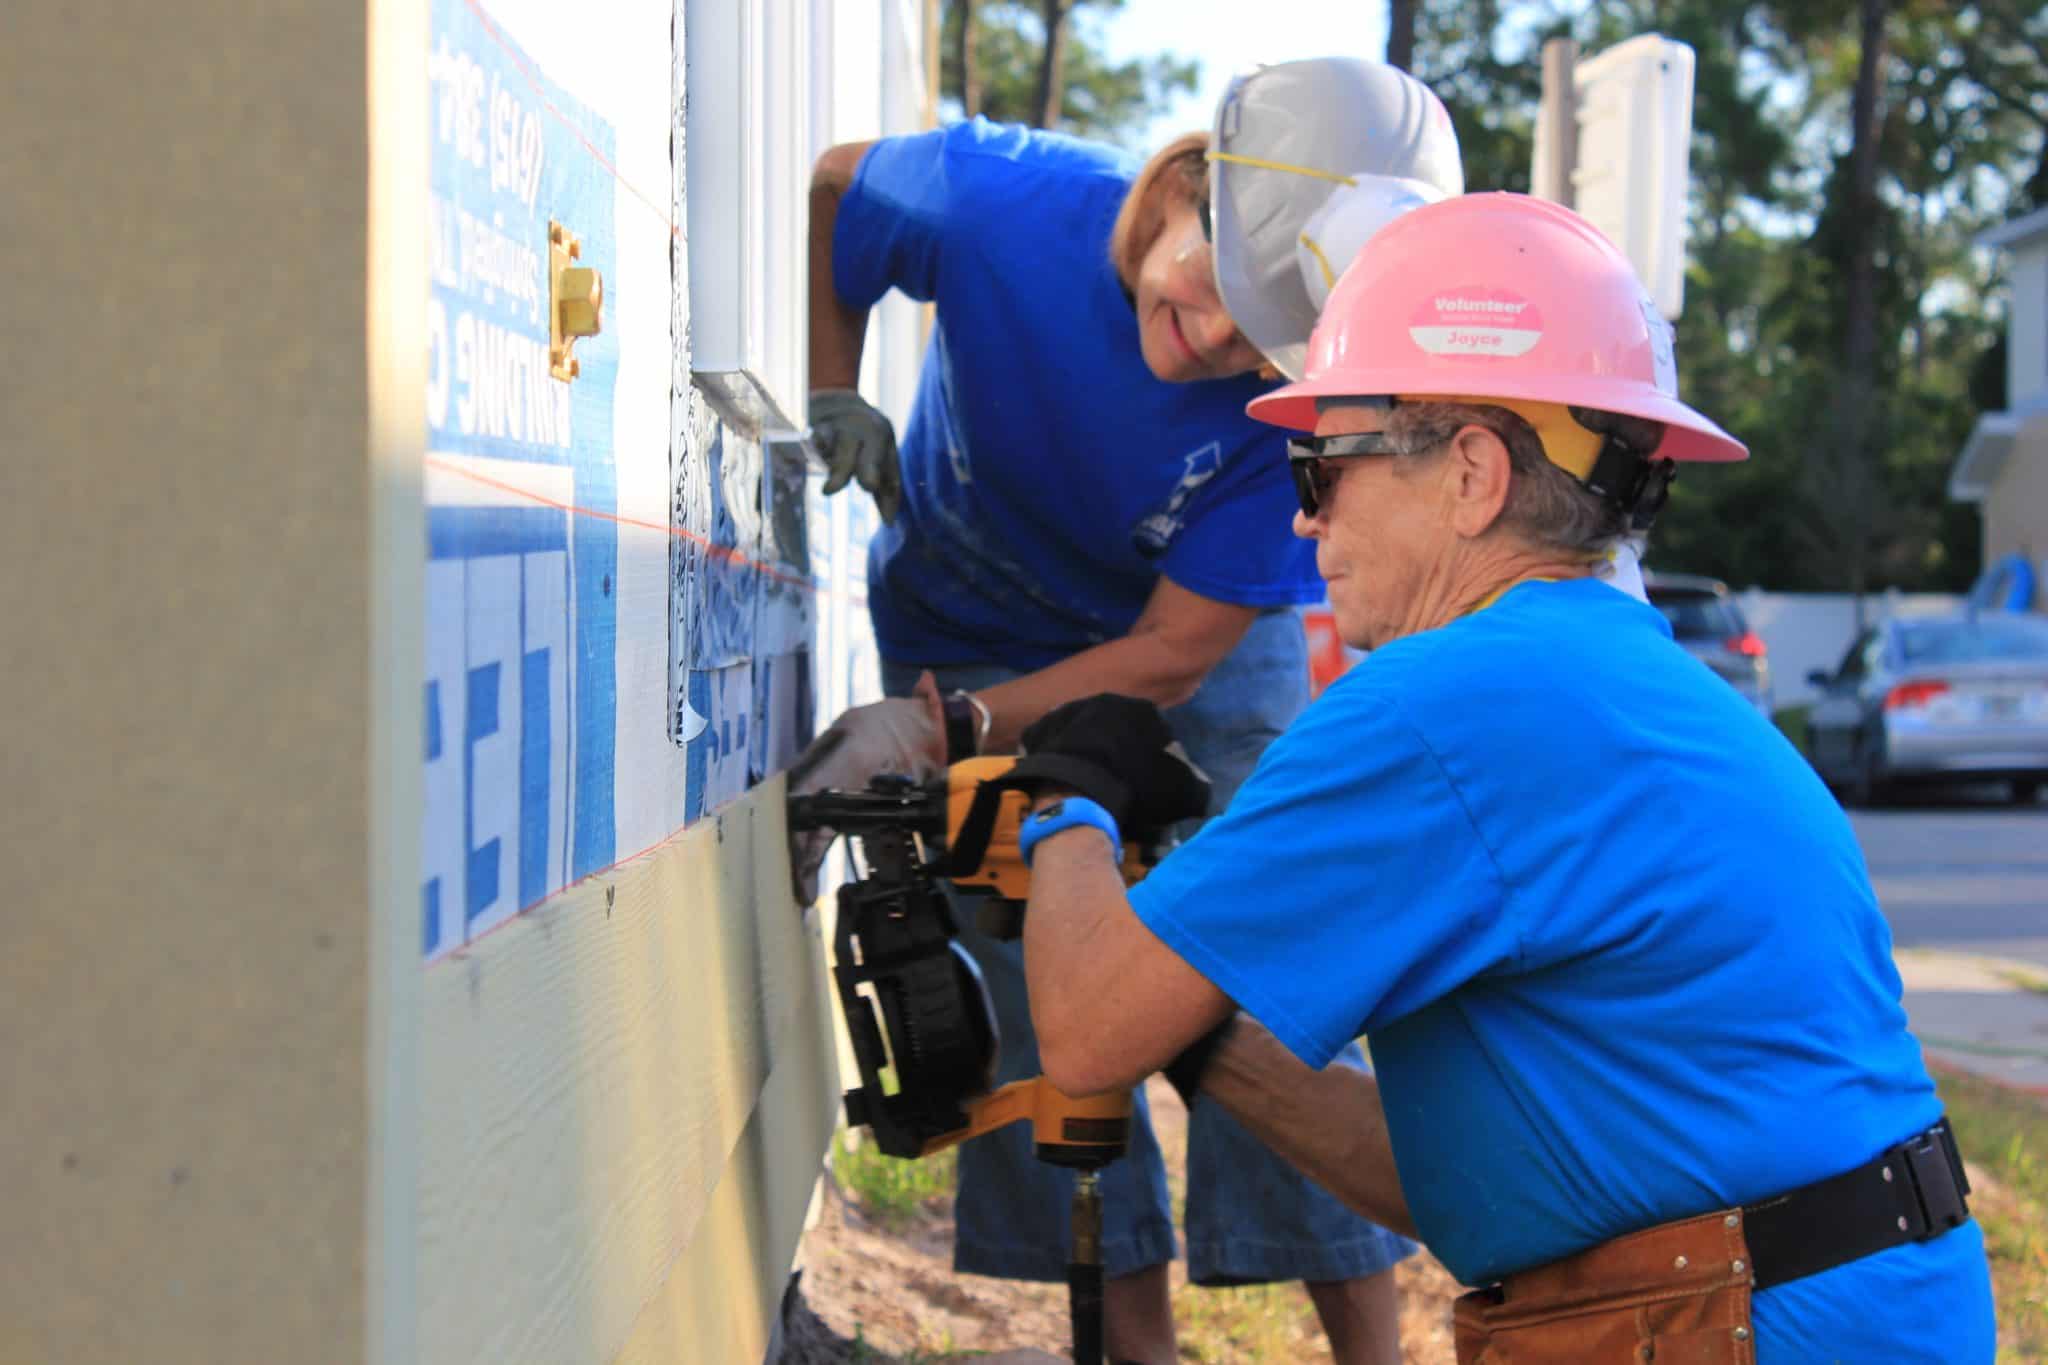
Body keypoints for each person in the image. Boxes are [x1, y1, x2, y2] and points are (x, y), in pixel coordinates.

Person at [1007, 192, 1998, 1362]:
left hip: (1748, 1323)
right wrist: (1197, 1016)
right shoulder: (1636, 686)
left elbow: (1084, 1034)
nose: (1303, 525)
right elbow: (1459, 1188)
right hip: (1848, 1303)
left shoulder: (1445, 704)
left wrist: (1068, 797)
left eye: (1318, 470)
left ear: (1471, 473)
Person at [794, 58, 1462, 1365]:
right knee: (1036, 992)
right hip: (965, 615)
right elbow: (835, 188)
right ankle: (1134, 1348)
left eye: (1257, 342)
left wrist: (936, 732)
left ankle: (1369, 1356)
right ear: (1175, 192)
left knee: (1266, 966)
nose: (1213, 345)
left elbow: (1167, 657)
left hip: (1183, 638)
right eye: (1213, 291)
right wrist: (832, 379)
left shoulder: (1287, 414)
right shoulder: (1002, 204)